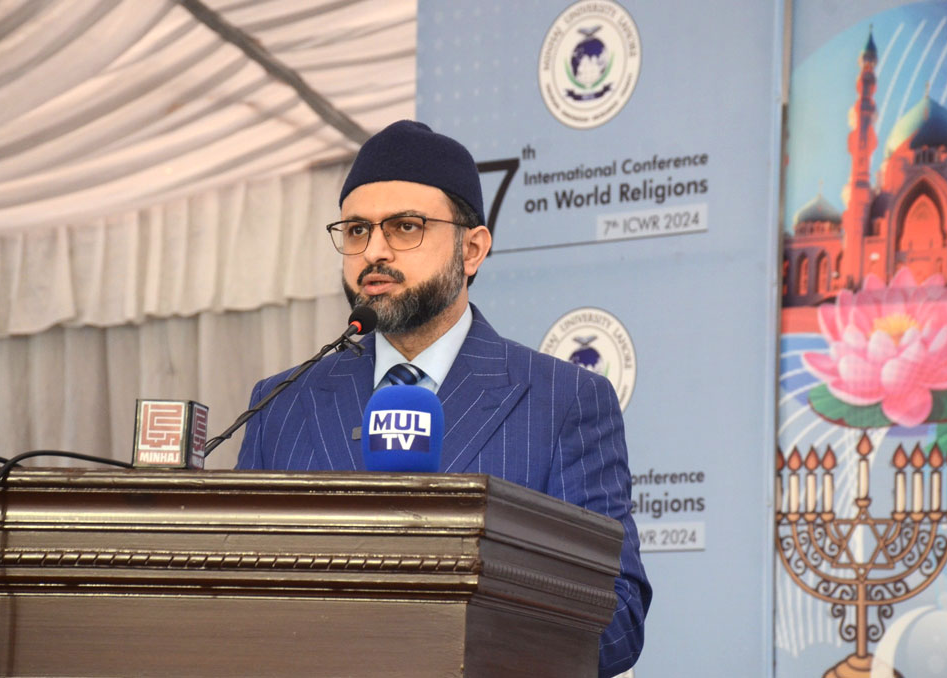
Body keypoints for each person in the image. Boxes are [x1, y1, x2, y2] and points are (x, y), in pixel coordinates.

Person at [236, 120, 650, 677]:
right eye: (357, 231)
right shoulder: (282, 404)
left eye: (405, 227)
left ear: (472, 249)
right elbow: (235, 591)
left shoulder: (565, 401)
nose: (374, 251)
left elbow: (615, 620)